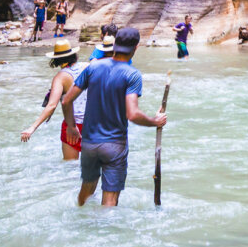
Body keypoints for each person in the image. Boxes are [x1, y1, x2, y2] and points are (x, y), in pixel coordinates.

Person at [56, 27, 164, 207]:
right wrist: (155, 121)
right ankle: (103, 231)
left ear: (115, 45)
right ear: (136, 48)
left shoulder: (93, 67)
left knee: (86, 191)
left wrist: (72, 126)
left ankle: (82, 225)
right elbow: (133, 114)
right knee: (110, 199)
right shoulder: (132, 74)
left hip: (89, 144)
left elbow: (66, 102)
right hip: (114, 145)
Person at [21, 39, 84, 159]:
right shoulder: (87, 67)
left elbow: (52, 105)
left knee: (70, 167)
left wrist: (32, 127)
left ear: (56, 59)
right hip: (94, 124)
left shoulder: (60, 78)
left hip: (72, 126)